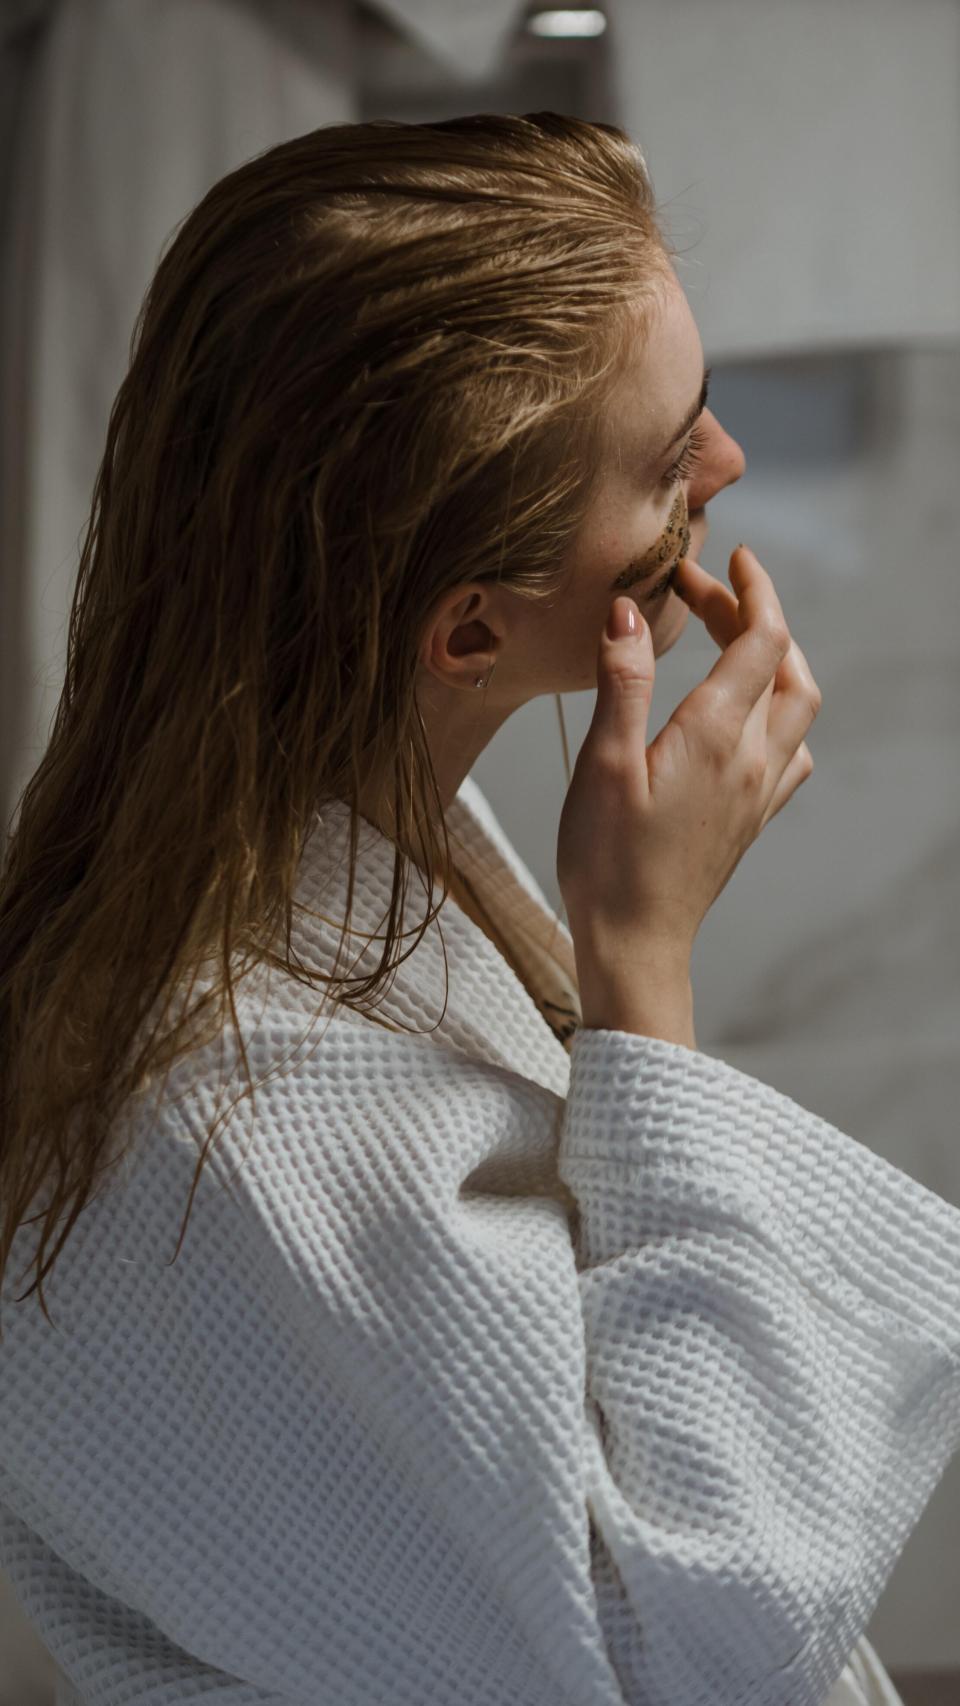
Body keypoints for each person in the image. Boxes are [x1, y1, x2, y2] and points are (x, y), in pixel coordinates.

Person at [0, 112, 957, 1706]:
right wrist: (643, 965)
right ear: (467, 632)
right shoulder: (228, 1121)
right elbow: (689, 1664)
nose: (724, 468)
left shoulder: (320, 840)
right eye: (669, 457)